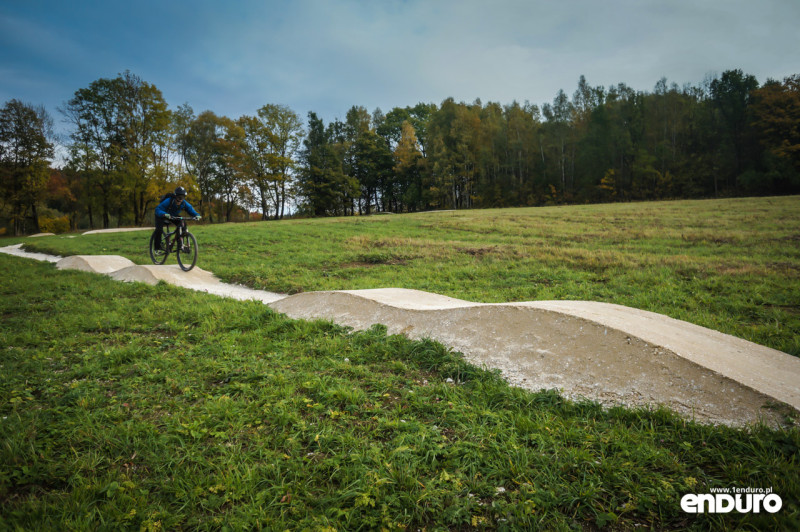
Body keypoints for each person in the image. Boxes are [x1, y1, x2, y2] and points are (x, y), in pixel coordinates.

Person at [152, 186, 201, 251]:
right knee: (159, 230)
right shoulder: (168, 201)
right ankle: (157, 247)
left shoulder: (183, 203)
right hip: (161, 215)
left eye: (182, 198)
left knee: (182, 223)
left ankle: (180, 243)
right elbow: (157, 209)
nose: (180, 200)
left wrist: (197, 215)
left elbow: (190, 209)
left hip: (172, 215)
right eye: (179, 197)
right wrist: (164, 214)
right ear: (175, 196)